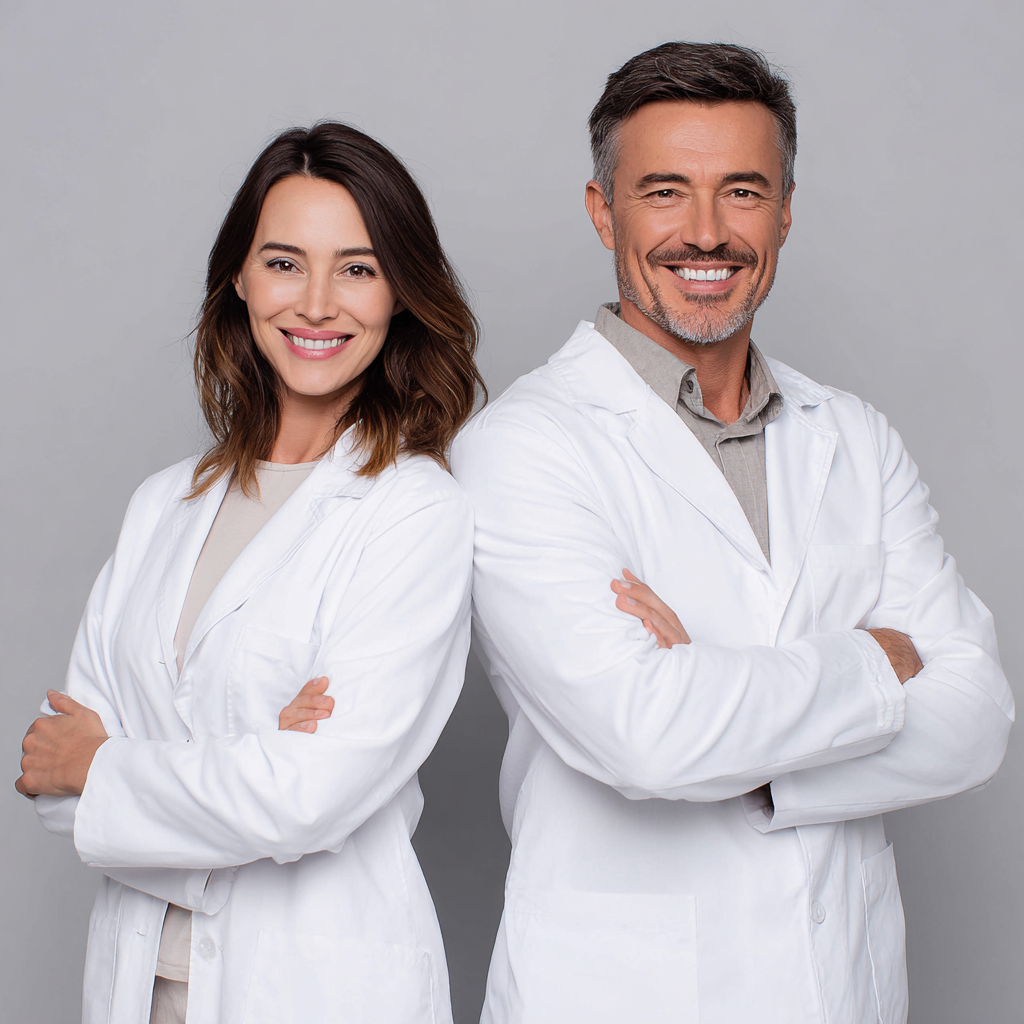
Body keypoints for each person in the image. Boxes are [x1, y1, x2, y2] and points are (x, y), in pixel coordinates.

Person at [451, 41, 1013, 1024]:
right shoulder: (520, 449)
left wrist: (730, 724)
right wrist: (876, 662)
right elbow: (646, 736)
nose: (705, 232)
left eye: (742, 192)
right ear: (602, 210)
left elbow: (974, 721)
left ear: (785, 211)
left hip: (841, 991)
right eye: (664, 191)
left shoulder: (855, 437)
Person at [16, 121, 484, 1024]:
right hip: (141, 990)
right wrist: (249, 760)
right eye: (284, 262)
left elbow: (310, 797)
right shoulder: (163, 505)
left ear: (400, 293)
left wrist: (113, 769)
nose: (316, 303)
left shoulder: (414, 510)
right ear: (239, 278)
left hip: (315, 992)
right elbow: (51, 786)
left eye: (357, 267)